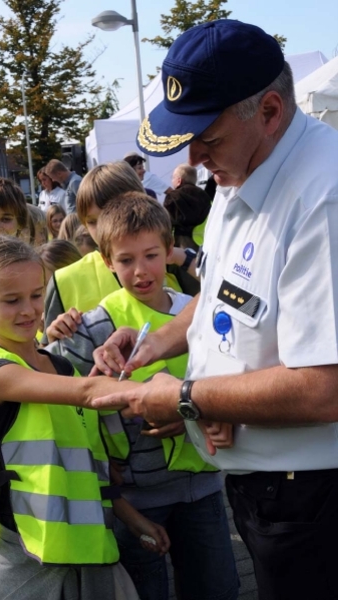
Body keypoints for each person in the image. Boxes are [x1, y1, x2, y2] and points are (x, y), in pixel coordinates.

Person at [89, 19, 338, 600]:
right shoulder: (243, 169)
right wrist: (157, 340)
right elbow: (225, 295)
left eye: (207, 136)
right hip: (265, 483)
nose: (194, 157)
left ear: (269, 111)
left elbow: (324, 387)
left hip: (312, 495)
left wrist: (185, 397)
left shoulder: (323, 197)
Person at [47, 193, 238, 600]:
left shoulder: (198, 313)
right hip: (134, 500)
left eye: (151, 255)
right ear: (106, 262)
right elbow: (61, 395)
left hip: (204, 488)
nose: (140, 271)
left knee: (217, 589)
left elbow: (230, 383)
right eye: (126, 260)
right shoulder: (92, 327)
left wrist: (209, 413)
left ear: (169, 251)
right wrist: (51, 334)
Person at [0, 235, 169, 600]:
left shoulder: (61, 366)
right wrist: (166, 391)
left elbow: (89, 460)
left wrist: (132, 518)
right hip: (25, 556)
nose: (29, 310)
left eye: (35, 295)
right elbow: (89, 394)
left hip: (87, 548)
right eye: (11, 300)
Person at [42, 161, 188, 344]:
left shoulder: (175, 264)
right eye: (94, 221)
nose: (108, 228)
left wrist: (186, 259)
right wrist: (56, 335)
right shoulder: (63, 281)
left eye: (115, 214)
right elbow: (48, 356)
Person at [164, 163, 212, 250]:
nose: (172, 180)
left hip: (180, 247)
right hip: (203, 244)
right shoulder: (205, 196)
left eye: (173, 177)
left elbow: (166, 224)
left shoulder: (173, 197)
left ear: (179, 181)